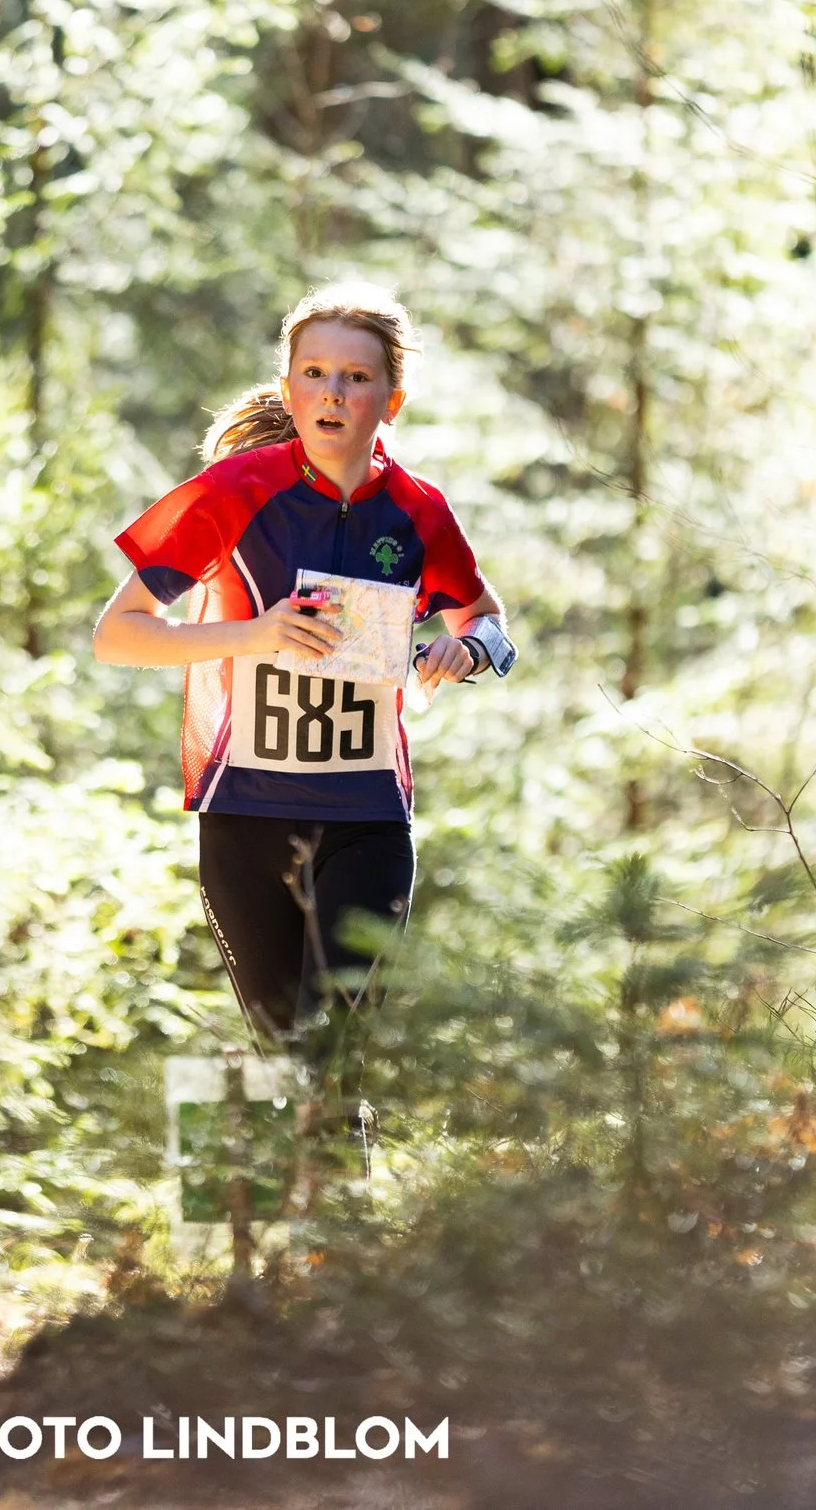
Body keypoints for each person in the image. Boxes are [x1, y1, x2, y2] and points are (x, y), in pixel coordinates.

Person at [93, 281, 515, 1066]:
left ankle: (348, 1150)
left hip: (366, 814)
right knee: (285, 1057)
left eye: (357, 377)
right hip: (245, 814)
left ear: (391, 401)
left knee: (339, 1050)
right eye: (314, 373)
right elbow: (117, 635)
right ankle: (301, 1149)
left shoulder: (418, 510)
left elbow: (488, 621)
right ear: (289, 391)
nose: (333, 392)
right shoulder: (233, 494)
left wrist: (471, 650)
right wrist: (255, 633)